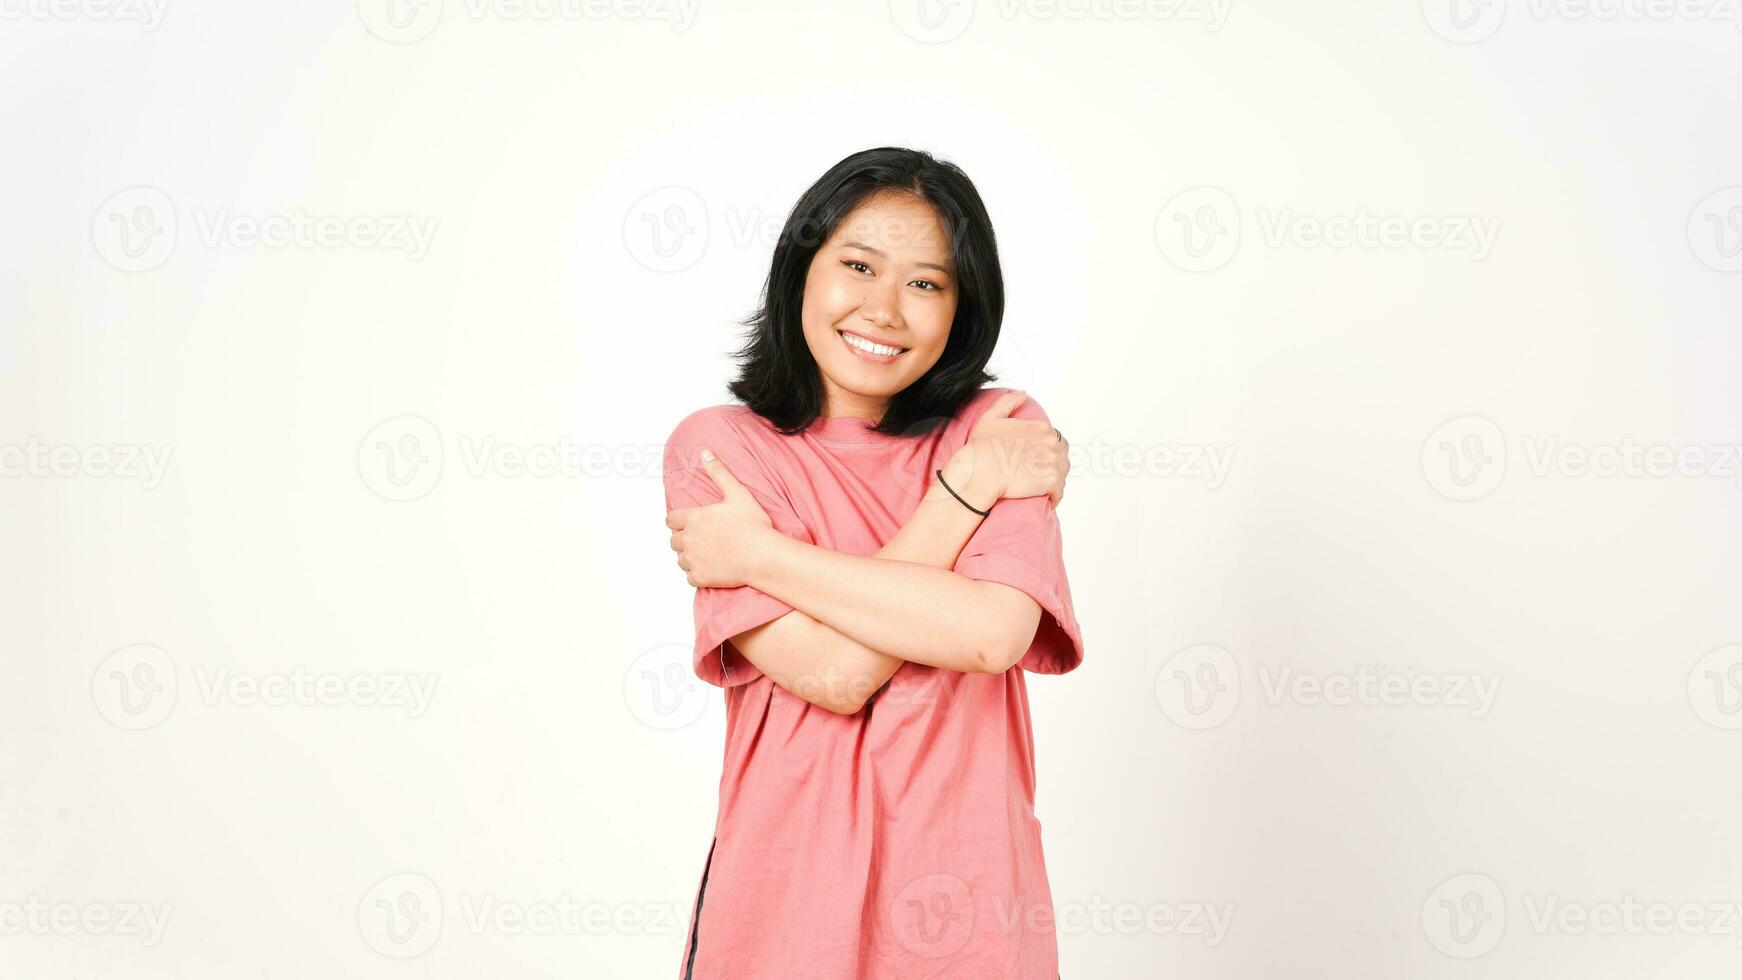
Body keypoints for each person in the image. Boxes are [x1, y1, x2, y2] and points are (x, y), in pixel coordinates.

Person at [662, 146, 1084, 980]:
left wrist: (759, 554)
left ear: (963, 308)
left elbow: (992, 635)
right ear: (801, 272)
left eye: (926, 283)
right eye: (859, 265)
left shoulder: (999, 428)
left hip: (966, 900)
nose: (885, 309)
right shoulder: (719, 450)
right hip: (785, 900)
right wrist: (964, 496)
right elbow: (832, 674)